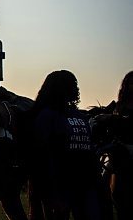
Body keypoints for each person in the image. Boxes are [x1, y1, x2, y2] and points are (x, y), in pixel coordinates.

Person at [30, 70, 101, 220]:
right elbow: (42, 154)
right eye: (71, 84)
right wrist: (51, 193)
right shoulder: (47, 115)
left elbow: (89, 150)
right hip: (60, 185)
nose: (75, 88)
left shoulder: (79, 115)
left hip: (85, 184)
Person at [94, 71, 133, 220]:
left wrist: (111, 118)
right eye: (130, 83)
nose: (132, 86)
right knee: (104, 188)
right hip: (117, 153)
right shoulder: (118, 105)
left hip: (130, 149)